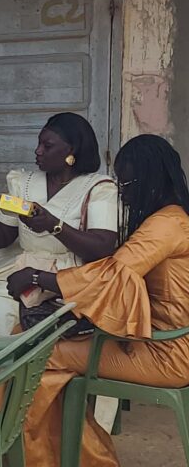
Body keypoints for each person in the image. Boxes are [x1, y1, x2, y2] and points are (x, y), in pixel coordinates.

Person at [12, 134, 189, 467]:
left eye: (127, 183)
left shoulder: (167, 224)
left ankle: (43, 458)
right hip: (153, 341)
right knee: (27, 340)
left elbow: (113, 273)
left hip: (166, 354)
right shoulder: (169, 218)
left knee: (33, 356)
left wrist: (39, 279)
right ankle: (66, 456)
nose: (124, 192)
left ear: (150, 177)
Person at [0, 113, 118, 337]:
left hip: (69, 277)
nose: (38, 151)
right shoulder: (23, 183)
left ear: (71, 151)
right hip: (21, 268)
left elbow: (102, 247)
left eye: (48, 145)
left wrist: (53, 224)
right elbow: (2, 238)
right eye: (39, 143)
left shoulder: (98, 188)